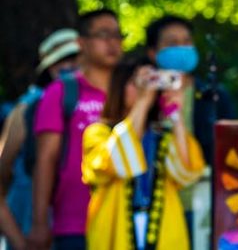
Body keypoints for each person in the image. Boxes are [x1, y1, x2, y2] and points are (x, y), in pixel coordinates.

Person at [82, 57, 204, 250]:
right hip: (114, 232)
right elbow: (114, 162)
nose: (144, 88)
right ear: (119, 86)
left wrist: (175, 115)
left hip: (163, 231)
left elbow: (188, 172)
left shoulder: (162, 135)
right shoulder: (98, 132)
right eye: (135, 82)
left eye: (150, 81)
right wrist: (143, 101)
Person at [28, 9, 123, 250]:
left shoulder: (132, 92)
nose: (112, 42)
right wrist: (40, 223)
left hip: (125, 222)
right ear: (82, 42)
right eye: (103, 35)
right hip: (74, 225)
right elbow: (46, 159)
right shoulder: (61, 92)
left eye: (117, 35)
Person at [0, 30, 80, 250]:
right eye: (62, 62)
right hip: (28, 224)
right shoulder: (27, 108)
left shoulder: (100, 103)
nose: (70, 67)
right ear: (48, 69)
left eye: (76, 59)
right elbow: (3, 170)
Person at [144, 15, 234, 163]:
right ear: (153, 53)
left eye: (187, 42)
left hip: (203, 182)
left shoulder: (215, 96)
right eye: (172, 43)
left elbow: (229, 147)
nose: (182, 47)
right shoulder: (142, 95)